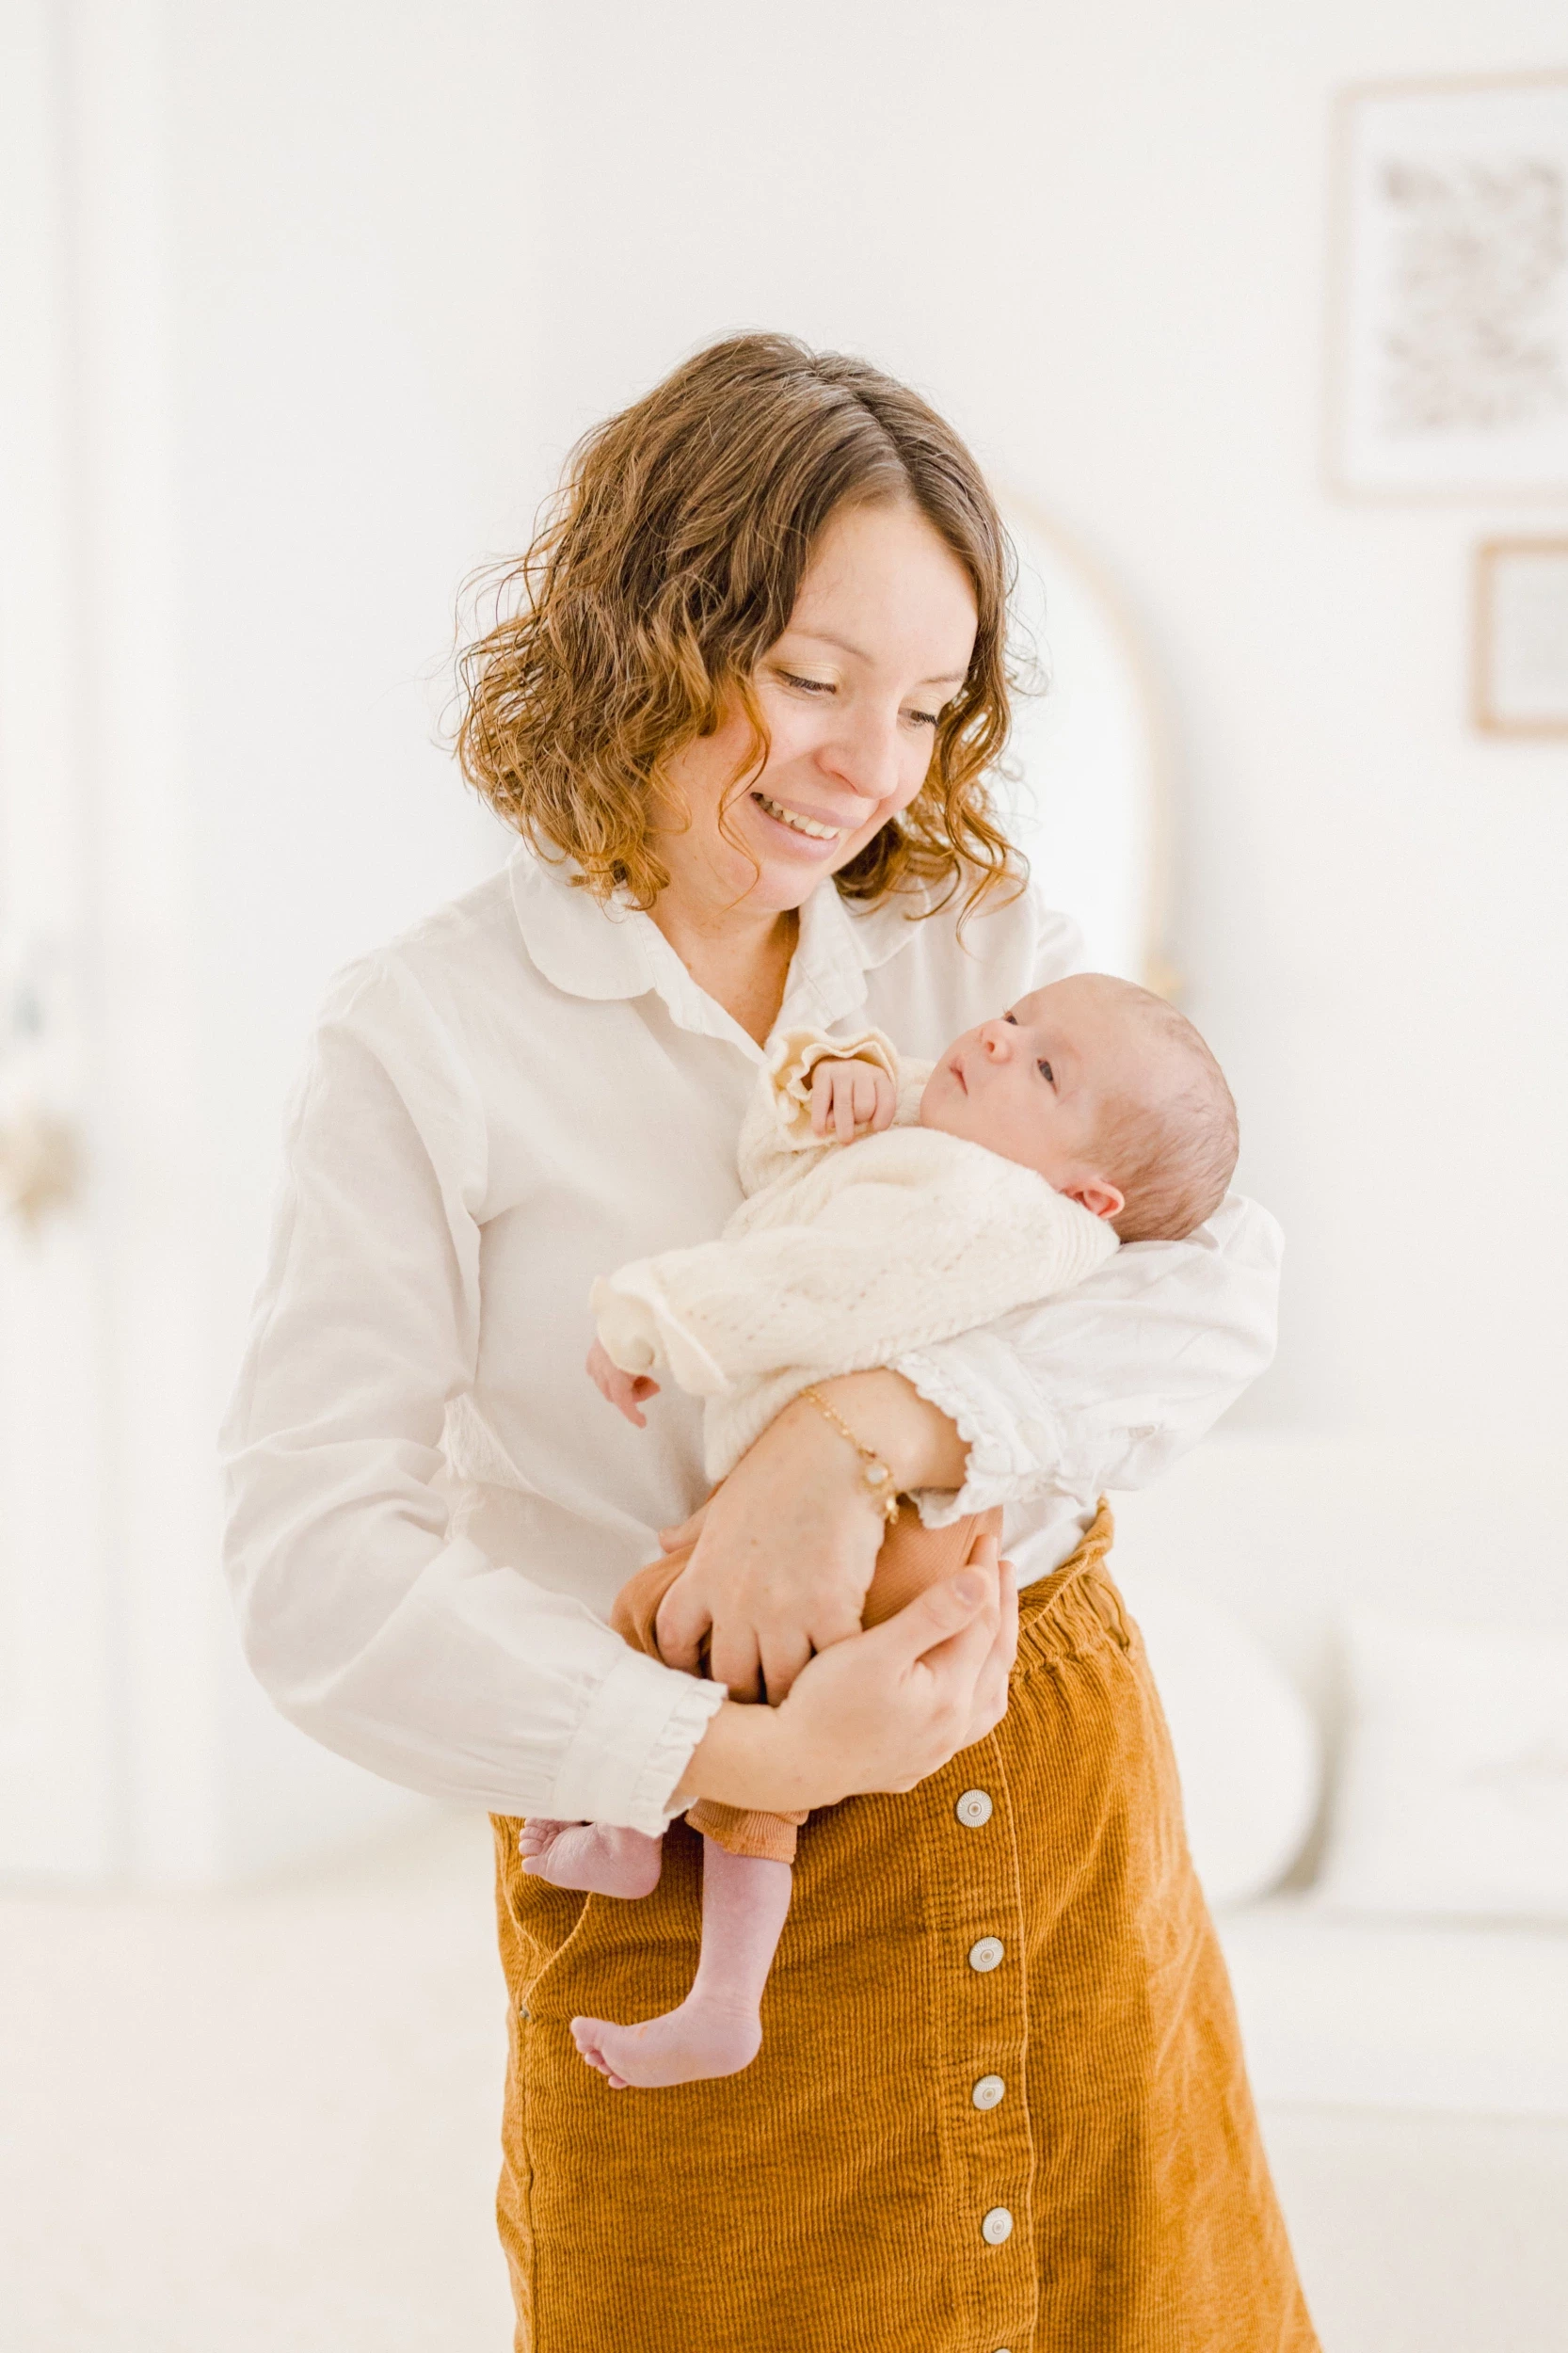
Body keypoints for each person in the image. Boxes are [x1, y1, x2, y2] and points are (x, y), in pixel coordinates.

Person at [221, 333, 1317, 2352]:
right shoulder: (429, 1034)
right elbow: (314, 1570)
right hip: (673, 1856)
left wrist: (858, 1428)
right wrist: (739, 1747)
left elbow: (1208, 1272)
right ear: (647, 628)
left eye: (919, 704)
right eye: (812, 679)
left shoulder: (978, 945)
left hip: (1044, 1799)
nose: (867, 766)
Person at [542, 975, 1239, 2091]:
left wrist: (658, 1317)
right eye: (1014, 1020)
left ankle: (722, 1998)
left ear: (1091, 1195)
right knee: (665, 1616)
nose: (999, 1044)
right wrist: (841, 1088)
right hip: (834, 1503)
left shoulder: (988, 1210)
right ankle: (634, 1829)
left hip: (901, 1530)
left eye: (1045, 1069)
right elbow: (790, 1191)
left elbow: (816, 1280)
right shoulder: (959, 1147)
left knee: (771, 1710)